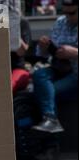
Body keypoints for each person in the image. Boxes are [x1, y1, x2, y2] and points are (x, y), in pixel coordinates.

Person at [32, 0, 78, 133]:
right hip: (59, 68)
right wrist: (44, 47)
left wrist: (75, 53)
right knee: (39, 74)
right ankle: (51, 120)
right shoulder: (60, 22)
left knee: (48, 92)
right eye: (65, 12)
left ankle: (51, 133)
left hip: (75, 73)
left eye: (72, 13)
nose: (68, 17)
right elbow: (43, 54)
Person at [11, 18, 32, 94]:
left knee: (7, 87)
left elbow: (21, 51)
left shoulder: (22, 22)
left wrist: (12, 30)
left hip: (17, 69)